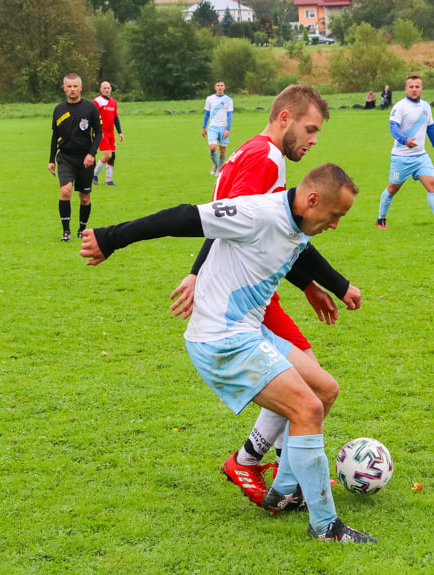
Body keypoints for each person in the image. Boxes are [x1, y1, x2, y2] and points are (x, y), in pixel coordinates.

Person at [79, 163, 377, 543]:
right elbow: (184, 217)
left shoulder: (298, 219)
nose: (336, 224)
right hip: (221, 338)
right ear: (313, 200)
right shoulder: (257, 213)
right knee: (308, 409)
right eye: (335, 215)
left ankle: (284, 490)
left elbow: (297, 249)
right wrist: (110, 238)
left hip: (250, 330)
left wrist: (327, 286)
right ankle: (326, 527)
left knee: (324, 389)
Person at [169, 84, 362, 509]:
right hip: (247, 299)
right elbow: (235, 225)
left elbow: (269, 234)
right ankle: (266, 464)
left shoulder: (249, 150)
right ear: (285, 119)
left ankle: (280, 466)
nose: (313, 141)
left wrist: (311, 284)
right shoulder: (268, 160)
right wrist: (198, 272)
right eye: (310, 130)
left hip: (253, 286)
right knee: (309, 387)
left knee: (313, 385)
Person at [375, 75, 434, 230]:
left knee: (432, 184)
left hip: (421, 157)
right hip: (401, 158)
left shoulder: (426, 107)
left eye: (417, 86)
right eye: (411, 87)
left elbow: (431, 128)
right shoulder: (400, 107)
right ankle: (381, 219)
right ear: (406, 89)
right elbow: (393, 127)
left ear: (422, 89)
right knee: (393, 188)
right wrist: (404, 140)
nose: (414, 89)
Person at [48, 73, 102, 243]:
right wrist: (51, 159)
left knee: (84, 197)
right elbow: (55, 135)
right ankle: (66, 232)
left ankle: (82, 229)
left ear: (81, 87)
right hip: (65, 158)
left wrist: (91, 154)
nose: (72, 89)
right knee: (65, 191)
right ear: (64, 88)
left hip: (85, 159)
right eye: (69, 86)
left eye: (75, 86)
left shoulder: (90, 108)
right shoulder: (59, 110)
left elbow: (99, 133)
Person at [92, 81, 124, 187]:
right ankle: (93, 175)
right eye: (104, 88)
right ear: (101, 89)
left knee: (112, 156)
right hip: (102, 133)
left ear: (111, 89)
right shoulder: (97, 101)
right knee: (108, 155)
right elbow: (93, 116)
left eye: (108, 88)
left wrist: (120, 132)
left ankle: (108, 179)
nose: (107, 89)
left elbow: (115, 118)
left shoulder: (113, 102)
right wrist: (96, 130)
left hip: (111, 133)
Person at [202, 81, 233, 176]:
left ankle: (219, 169)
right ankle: (215, 164)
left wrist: (227, 129)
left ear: (224, 87)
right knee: (212, 148)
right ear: (215, 87)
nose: (220, 87)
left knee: (222, 149)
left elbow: (229, 116)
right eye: (218, 85)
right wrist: (203, 127)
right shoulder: (210, 99)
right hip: (213, 127)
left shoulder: (228, 100)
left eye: (222, 85)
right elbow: (206, 114)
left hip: (223, 127)